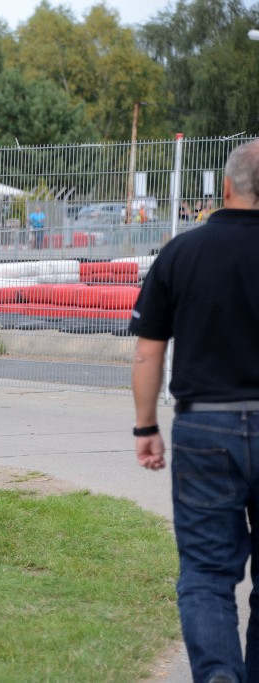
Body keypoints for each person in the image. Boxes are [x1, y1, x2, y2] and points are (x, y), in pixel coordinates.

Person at [130, 139, 259, 683]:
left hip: (204, 423)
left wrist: (146, 426)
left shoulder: (182, 253)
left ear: (226, 187)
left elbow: (147, 350)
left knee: (206, 572)